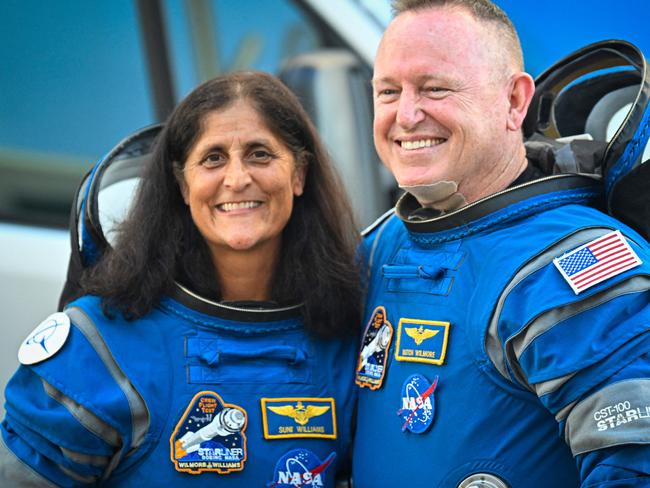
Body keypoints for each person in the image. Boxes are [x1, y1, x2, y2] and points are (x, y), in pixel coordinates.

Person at [1, 72, 360, 487]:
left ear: (298, 175)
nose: (238, 178)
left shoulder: (345, 338)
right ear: (182, 185)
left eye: (260, 154)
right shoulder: (100, 347)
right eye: (213, 158)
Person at [352, 1, 650, 487]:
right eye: (388, 91)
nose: (406, 115)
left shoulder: (577, 263)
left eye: (435, 89)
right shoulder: (386, 241)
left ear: (515, 101)